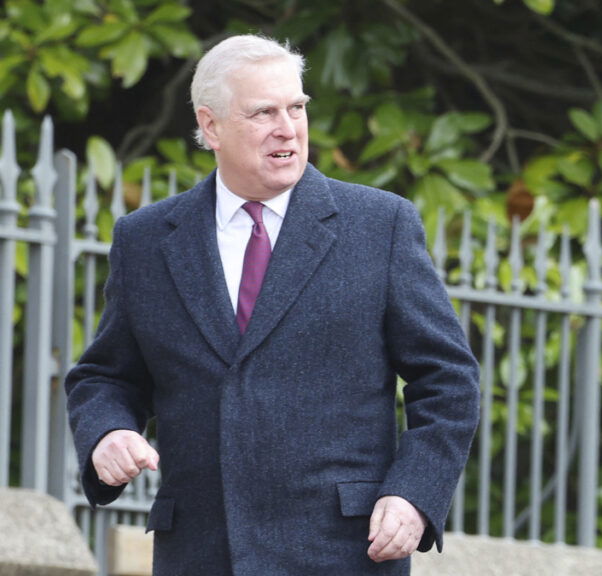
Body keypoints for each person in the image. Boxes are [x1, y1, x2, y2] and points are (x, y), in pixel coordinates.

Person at [64, 34, 480, 576]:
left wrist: (413, 494)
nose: (288, 128)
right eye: (263, 112)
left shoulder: (380, 226)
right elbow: (106, 376)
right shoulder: (145, 239)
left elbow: (448, 379)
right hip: (199, 553)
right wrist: (107, 433)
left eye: (297, 107)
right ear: (210, 126)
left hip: (343, 553)